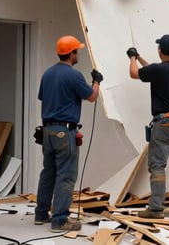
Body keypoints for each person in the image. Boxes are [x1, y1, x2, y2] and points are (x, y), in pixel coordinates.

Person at [35, 35, 102, 232]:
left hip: (47, 131)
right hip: (65, 132)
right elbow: (91, 96)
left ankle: (41, 214)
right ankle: (60, 220)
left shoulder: (47, 74)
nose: (77, 54)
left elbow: (43, 97)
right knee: (66, 176)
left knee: (48, 173)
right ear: (71, 53)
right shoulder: (74, 75)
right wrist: (96, 81)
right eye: (77, 51)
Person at [127, 34, 169, 219]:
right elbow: (155, 70)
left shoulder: (158, 71)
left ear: (160, 50)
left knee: (157, 166)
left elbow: (134, 73)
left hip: (164, 124)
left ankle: (156, 208)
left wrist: (132, 58)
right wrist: (140, 56)